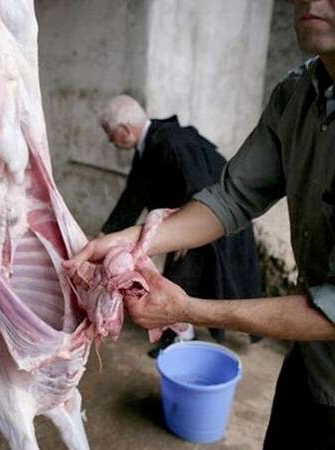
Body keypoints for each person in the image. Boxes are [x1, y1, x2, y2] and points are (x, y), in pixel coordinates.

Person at [65, 0, 335, 447]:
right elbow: (231, 196)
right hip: (308, 362)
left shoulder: (171, 144)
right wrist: (129, 241)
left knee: (195, 284)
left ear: (125, 130)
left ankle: (181, 333)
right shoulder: (296, 95)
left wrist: (188, 309)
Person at [99, 95, 261, 348]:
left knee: (180, 281)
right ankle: (181, 335)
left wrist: (185, 232)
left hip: (215, 222)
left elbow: (201, 186)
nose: (110, 140)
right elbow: (132, 197)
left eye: (110, 134)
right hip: (190, 222)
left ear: (125, 130)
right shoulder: (150, 145)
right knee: (182, 278)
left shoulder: (172, 142)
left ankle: (182, 338)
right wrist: (105, 236)